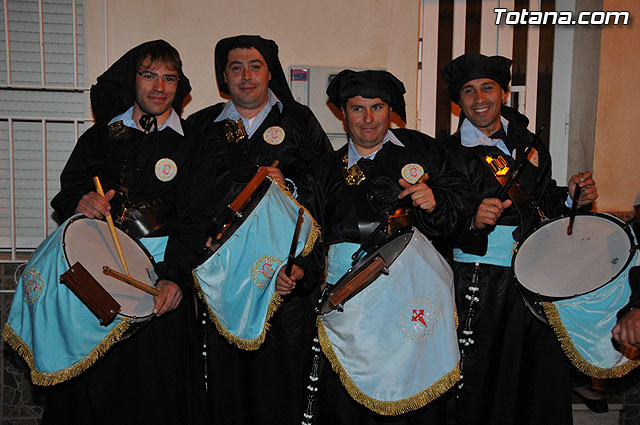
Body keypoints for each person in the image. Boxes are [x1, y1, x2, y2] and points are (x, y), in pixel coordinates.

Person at [42, 40, 215, 424]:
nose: (159, 86)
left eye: (169, 78)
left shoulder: (196, 145)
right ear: (132, 80)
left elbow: (196, 218)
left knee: (157, 389)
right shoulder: (101, 136)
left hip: (161, 281)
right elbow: (68, 189)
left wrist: (175, 279)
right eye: (149, 75)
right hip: (95, 277)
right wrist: (81, 199)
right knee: (94, 383)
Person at [296, 69, 475, 425]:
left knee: (415, 393)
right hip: (350, 299)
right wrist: (300, 274)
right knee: (350, 400)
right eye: (357, 108)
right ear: (342, 113)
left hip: (413, 293)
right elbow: (310, 239)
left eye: (377, 107)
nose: (368, 118)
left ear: (390, 110)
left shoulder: (424, 150)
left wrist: (436, 201)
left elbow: (463, 202)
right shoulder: (324, 170)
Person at [440, 52, 598, 425]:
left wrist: (570, 198)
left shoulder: (529, 146)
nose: (479, 99)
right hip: (479, 278)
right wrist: (473, 222)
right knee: (478, 379)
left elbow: (545, 205)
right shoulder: (448, 152)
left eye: (488, 88)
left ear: (503, 93)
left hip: (535, 276)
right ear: (458, 101)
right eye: (468, 91)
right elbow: (439, 221)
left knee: (534, 379)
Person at [186, 35, 332, 425]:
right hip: (224, 276)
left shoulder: (299, 121)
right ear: (223, 77)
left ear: (270, 73)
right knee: (224, 383)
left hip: (281, 273)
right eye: (236, 67)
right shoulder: (200, 126)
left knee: (281, 385)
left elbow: (327, 189)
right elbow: (186, 198)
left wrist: (292, 186)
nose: (246, 76)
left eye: (255, 66)